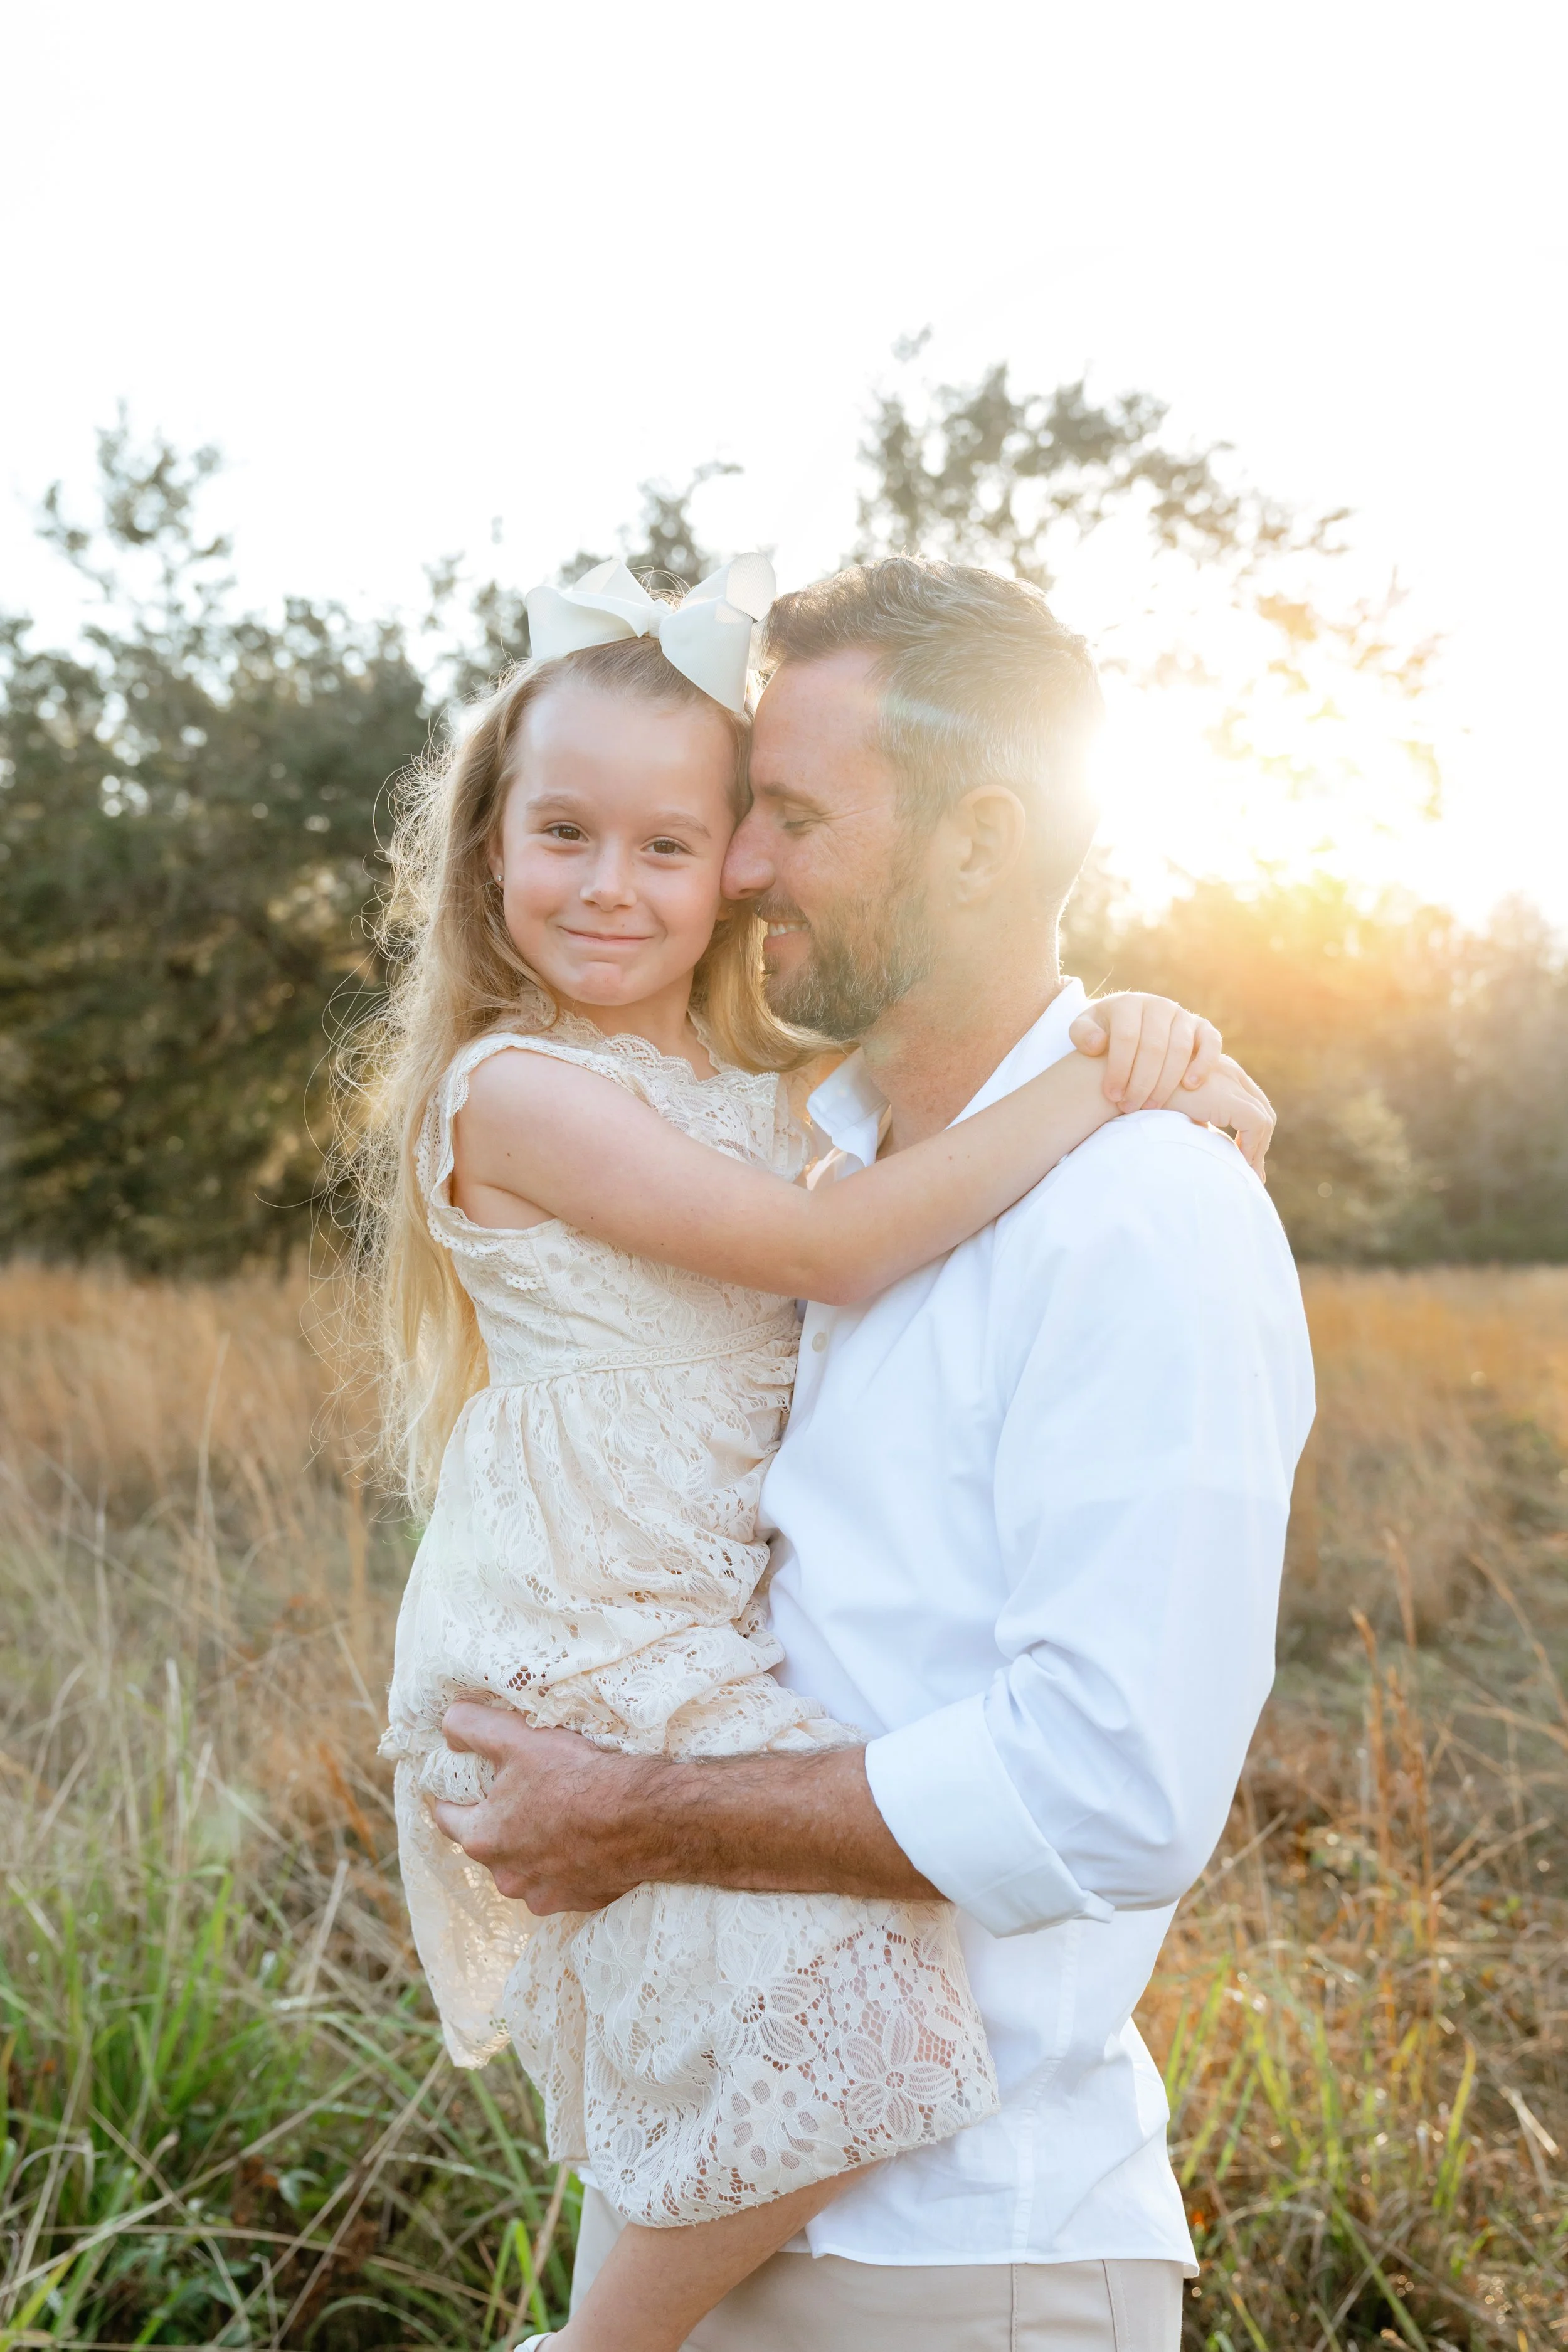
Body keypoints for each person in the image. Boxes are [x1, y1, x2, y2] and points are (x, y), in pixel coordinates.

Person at [358, 551, 1276, 2352]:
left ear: (976, 836)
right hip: (691, 2111)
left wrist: (1138, 1067)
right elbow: (824, 1256)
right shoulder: (746, 1139)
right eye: (572, 835)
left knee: (821, 2020)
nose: (728, 870)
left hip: (961, 2262)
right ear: (489, 850)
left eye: (755, 821)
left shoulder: (1119, 1211)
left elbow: (1108, 1787)